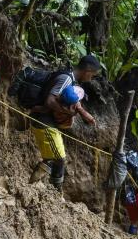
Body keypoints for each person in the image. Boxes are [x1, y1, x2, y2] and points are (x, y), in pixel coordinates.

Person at [27, 55, 100, 189]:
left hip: (47, 121)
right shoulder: (66, 79)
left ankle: (37, 188)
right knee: (58, 158)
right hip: (44, 121)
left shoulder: (70, 79)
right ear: (88, 71)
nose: (91, 79)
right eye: (93, 75)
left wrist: (84, 114)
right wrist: (69, 113)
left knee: (54, 158)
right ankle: (53, 191)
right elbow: (49, 101)